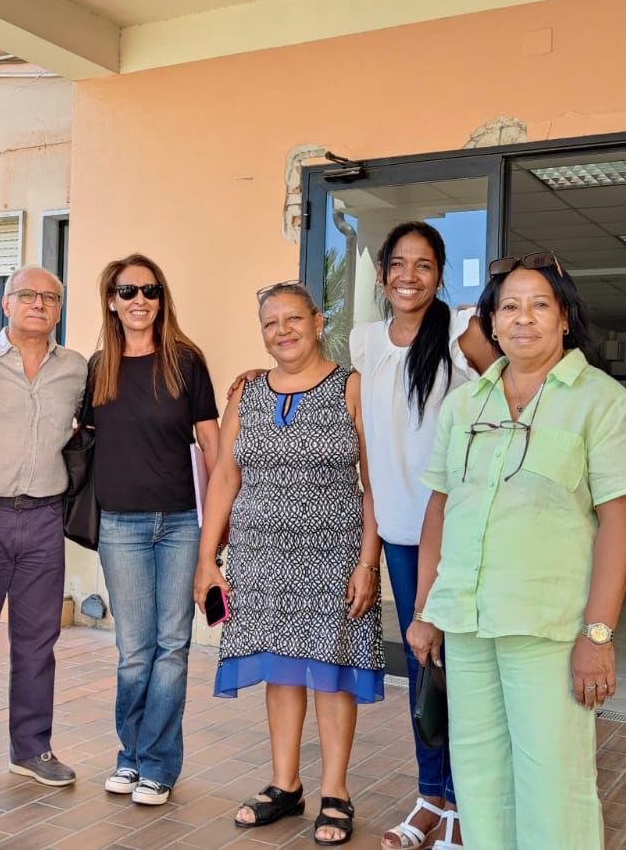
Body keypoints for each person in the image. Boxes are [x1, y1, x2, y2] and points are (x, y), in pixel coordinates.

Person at [406, 252, 626, 849]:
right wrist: (424, 611)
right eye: (509, 307)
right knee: (479, 774)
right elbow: (440, 509)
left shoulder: (602, 402)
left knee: (554, 780)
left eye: (540, 304)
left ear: (565, 318)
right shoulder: (466, 406)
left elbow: (620, 525)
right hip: (466, 624)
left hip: (548, 628)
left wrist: (597, 636)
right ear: (491, 323)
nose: (524, 319)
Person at [194, 281, 383, 847]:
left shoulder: (351, 387)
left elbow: (374, 484)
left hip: (334, 554)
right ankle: (284, 785)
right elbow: (225, 477)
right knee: (279, 671)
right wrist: (209, 559)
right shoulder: (246, 394)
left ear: (318, 322)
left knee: (332, 675)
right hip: (259, 556)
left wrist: (368, 561)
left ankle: (335, 792)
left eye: (294, 319)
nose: (283, 331)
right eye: (271, 323)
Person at [350, 222, 493, 850]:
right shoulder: (363, 341)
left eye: (424, 264)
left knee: (461, 668)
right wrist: (371, 548)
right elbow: (371, 453)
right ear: (381, 276)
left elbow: (514, 396)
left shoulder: (463, 333)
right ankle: (430, 797)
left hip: (461, 532)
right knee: (422, 668)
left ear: (440, 274)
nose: (410, 276)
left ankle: (466, 805)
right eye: (398, 265)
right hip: (404, 536)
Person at [0, 265, 88, 795]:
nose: (39, 304)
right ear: (5, 304)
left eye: (51, 297)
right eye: (27, 295)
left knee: (38, 642)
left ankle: (33, 748)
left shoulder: (76, 368)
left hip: (46, 518)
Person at [85, 254, 220, 807]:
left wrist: (216, 525)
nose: (139, 299)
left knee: (174, 646)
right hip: (121, 525)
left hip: (182, 524)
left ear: (162, 299)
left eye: (150, 290)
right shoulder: (99, 367)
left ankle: (159, 765)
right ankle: (130, 756)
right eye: (127, 290)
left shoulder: (185, 362)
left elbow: (213, 443)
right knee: (134, 650)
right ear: (111, 301)